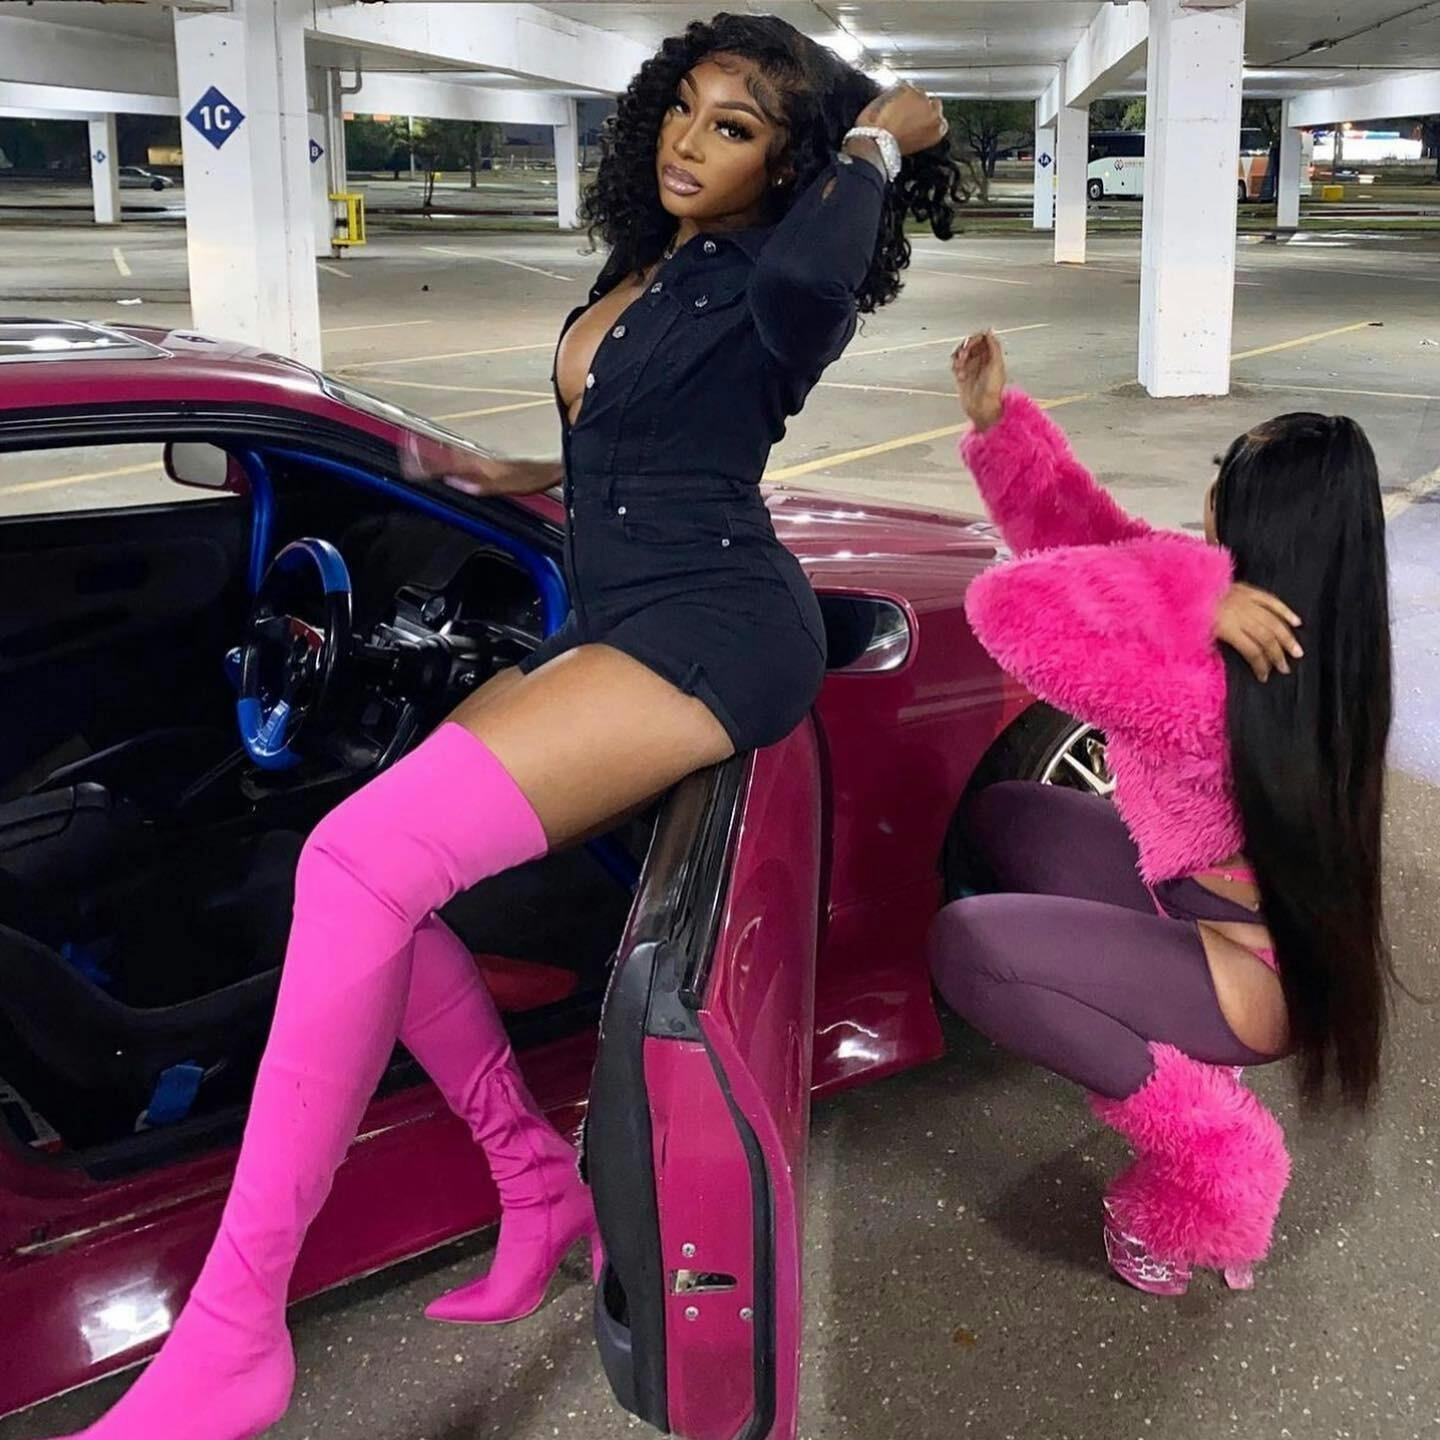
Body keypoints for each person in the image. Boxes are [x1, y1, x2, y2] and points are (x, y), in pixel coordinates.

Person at [54, 16, 961, 1440]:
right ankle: (534, 1184)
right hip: (612, 612)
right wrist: (514, 469)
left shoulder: (788, 287)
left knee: (358, 864)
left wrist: (873, 143)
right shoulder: (655, 263)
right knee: (361, 877)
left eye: (734, 129)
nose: (688, 142)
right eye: (684, 108)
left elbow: (806, 273)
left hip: (712, 629)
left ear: (789, 168)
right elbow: (647, 431)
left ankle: (235, 1333)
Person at [929, 330, 1392, 1296]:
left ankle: (1213, 1155)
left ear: (1264, 527)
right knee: (1007, 817)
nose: (1211, 486)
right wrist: (1002, 427)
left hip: (1254, 971)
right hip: (1215, 899)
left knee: (971, 950)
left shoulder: (1209, 673)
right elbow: (1097, 543)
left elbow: (1009, 609)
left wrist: (1189, 600)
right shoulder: (1289, 617)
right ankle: (1158, 1003)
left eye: (1229, 478)